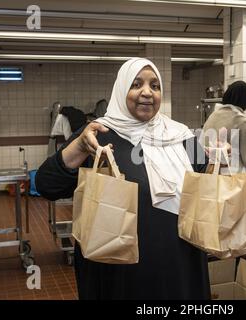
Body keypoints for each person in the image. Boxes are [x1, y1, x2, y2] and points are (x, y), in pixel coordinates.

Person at [35, 58, 210, 300]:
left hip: (181, 264)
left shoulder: (181, 136)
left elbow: (203, 181)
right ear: (121, 89)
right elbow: (46, 185)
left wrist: (219, 159)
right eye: (136, 84)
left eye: (155, 86)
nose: (147, 92)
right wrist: (78, 148)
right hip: (121, 272)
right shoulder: (97, 133)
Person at [201, 80, 246, 180]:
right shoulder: (242, 123)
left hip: (211, 178)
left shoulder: (212, 117)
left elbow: (202, 150)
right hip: (235, 182)